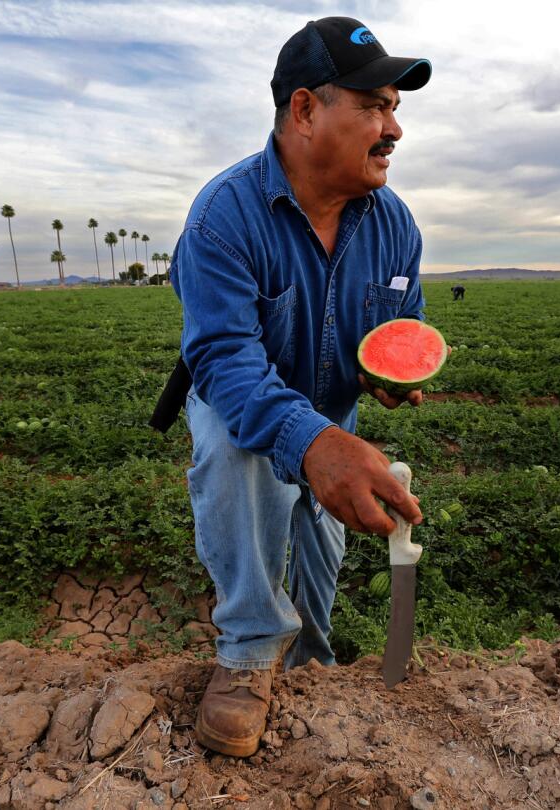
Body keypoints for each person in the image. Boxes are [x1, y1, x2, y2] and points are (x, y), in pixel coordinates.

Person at [169, 15, 430, 758]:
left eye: (396, 109)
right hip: (243, 406)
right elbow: (225, 363)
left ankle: (312, 659)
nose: (394, 130)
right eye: (374, 106)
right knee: (231, 448)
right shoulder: (225, 216)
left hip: (333, 415)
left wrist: (383, 379)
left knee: (320, 556)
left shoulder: (395, 225)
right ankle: (249, 649)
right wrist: (311, 440)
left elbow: (400, 320)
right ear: (306, 110)